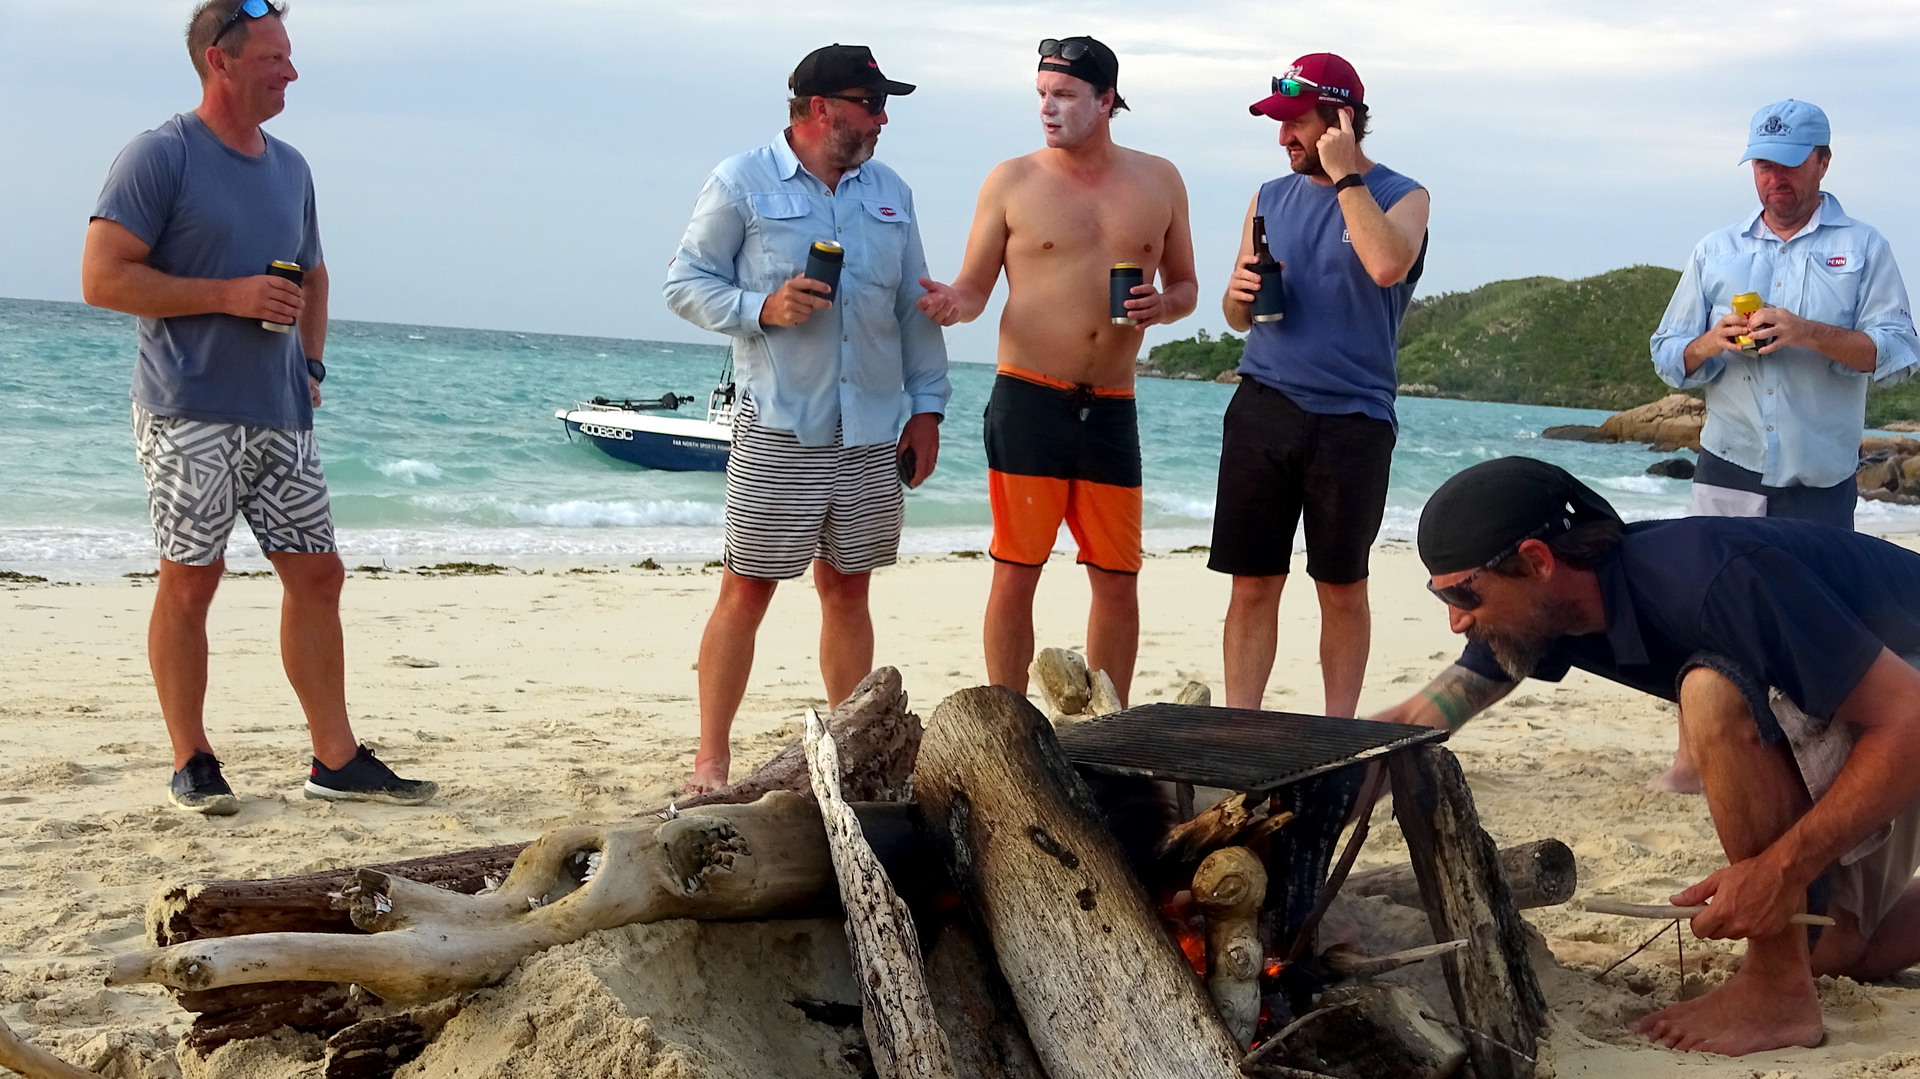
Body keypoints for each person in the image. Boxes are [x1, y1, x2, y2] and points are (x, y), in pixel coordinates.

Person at [1374, 456, 1920, 1056]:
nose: (1455, 620)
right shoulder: (1554, 612)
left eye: (1464, 593)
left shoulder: (1706, 580)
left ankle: (1776, 991)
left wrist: (1780, 871)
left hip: (1904, 696)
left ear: (1537, 560)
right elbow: (1416, 723)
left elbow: (1907, 719)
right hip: (1884, 695)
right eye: (1439, 595)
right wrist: (1310, 788)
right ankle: (1796, 967)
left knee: (1711, 694)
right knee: (1837, 951)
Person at [80, 0, 436, 814]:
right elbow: (102, 277)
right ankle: (192, 758)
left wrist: (311, 363)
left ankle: (335, 759)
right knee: (191, 581)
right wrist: (230, 295)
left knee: (318, 573)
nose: (292, 72)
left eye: (289, 56)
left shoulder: (291, 166)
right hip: (187, 407)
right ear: (221, 60)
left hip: (281, 413)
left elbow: (313, 277)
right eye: (274, 58)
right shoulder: (159, 155)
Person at [664, 44, 949, 793]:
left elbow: (913, 309)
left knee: (848, 588)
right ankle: (710, 762)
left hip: (870, 430)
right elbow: (684, 282)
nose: (883, 118)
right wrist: (760, 308)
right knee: (746, 589)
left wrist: (928, 409)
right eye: (870, 103)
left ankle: (852, 753)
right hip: (781, 422)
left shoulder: (891, 191)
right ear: (820, 109)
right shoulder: (742, 181)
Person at [1647, 99, 1918, 792]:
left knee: (1818, 628)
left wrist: (1806, 333)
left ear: (1822, 161)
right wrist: (1713, 341)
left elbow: (1895, 350)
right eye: (1763, 166)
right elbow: (1668, 354)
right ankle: (1693, 755)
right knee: (1704, 616)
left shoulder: (1864, 248)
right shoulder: (1716, 250)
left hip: (1820, 475)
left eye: (1789, 164)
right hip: (1729, 459)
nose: (1774, 180)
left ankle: (1806, 761)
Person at [917, 36, 1196, 705]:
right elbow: (976, 288)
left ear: (1105, 101)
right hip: (1028, 398)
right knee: (1017, 569)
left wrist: (1165, 305)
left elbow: (1186, 285)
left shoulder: (1159, 179)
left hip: (1111, 405)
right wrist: (954, 303)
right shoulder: (1012, 180)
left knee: (1118, 576)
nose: (1048, 108)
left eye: (1064, 95)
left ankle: (1111, 719)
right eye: (1042, 95)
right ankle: (1006, 716)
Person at [1209, 53, 1429, 719]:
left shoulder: (1403, 194)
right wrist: (1237, 294)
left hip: (1353, 420)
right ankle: (1241, 723)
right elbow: (1234, 311)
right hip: (1263, 405)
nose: (1283, 139)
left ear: (1340, 118)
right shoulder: (1268, 197)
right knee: (1253, 583)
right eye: (1279, 125)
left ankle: (1336, 731)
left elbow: (1388, 263)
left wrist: (1344, 176)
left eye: (1295, 123)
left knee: (1341, 585)